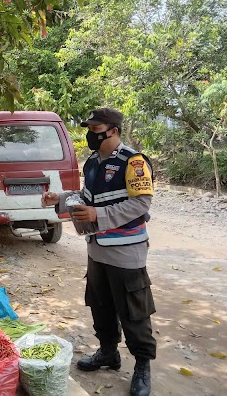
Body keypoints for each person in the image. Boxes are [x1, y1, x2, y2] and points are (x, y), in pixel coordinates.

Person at [42, 108, 155, 396]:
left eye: (96, 128)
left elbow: (141, 204)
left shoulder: (134, 161)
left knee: (133, 312)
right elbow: (88, 199)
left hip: (126, 250)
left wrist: (98, 215)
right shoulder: (92, 163)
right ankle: (108, 353)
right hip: (97, 250)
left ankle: (143, 365)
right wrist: (63, 199)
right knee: (100, 304)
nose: (91, 134)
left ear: (113, 130)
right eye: (89, 128)